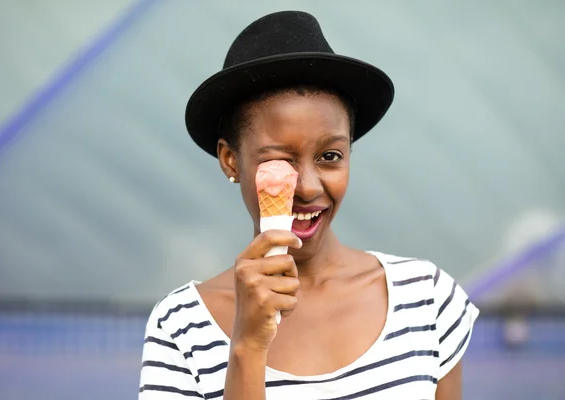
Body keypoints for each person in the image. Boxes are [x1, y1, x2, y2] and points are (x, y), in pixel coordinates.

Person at [139, 10, 479, 400]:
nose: (307, 187)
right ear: (231, 160)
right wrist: (248, 348)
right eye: (278, 160)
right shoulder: (180, 325)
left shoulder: (427, 298)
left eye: (330, 156)